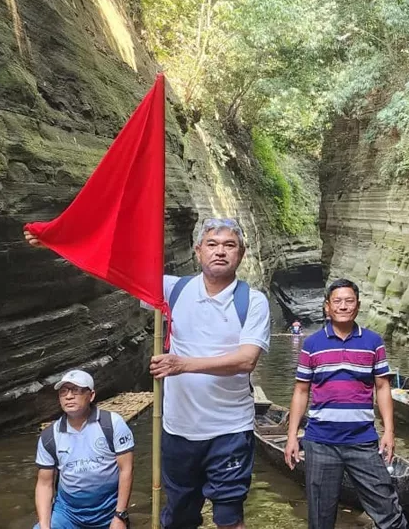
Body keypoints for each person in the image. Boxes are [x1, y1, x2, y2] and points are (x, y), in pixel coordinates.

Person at [26, 217, 271, 529]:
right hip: (178, 430)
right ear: (198, 251)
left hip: (230, 429)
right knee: (179, 518)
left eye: (229, 245)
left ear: (241, 253)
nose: (220, 251)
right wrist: (59, 244)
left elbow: (247, 360)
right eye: (212, 244)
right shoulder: (173, 289)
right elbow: (112, 268)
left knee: (228, 517)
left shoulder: (253, 301)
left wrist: (182, 364)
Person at [285, 279, 406, 529]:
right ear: (327, 307)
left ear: (357, 306)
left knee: (390, 514)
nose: (343, 306)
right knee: (320, 519)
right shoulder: (312, 344)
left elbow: (383, 387)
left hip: (362, 440)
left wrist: (389, 431)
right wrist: (292, 436)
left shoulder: (373, 342)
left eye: (349, 301)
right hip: (321, 442)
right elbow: (301, 390)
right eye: (337, 301)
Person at [34, 370, 134, 529]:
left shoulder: (112, 424)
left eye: (76, 390)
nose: (68, 396)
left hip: (109, 513)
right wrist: (45, 526)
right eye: (63, 392)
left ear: (91, 395)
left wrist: (120, 515)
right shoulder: (49, 436)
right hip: (68, 514)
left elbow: (126, 469)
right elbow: (44, 484)